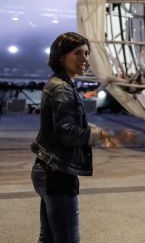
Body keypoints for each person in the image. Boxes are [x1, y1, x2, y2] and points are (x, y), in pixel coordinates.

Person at [30, 32, 106, 243]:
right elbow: (66, 134)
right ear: (61, 56)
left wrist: (83, 126)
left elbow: (58, 126)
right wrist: (94, 134)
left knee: (49, 238)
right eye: (78, 53)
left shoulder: (57, 83)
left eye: (87, 53)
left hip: (47, 167)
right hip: (57, 174)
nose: (85, 59)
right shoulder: (63, 88)